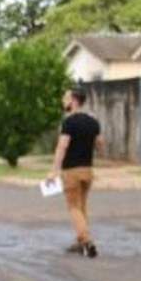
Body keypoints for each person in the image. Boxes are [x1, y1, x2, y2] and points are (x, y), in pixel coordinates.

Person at [49, 88, 104, 258]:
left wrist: (53, 171)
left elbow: (62, 146)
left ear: (73, 101)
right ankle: (80, 242)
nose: (63, 101)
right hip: (88, 170)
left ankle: (87, 242)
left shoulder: (69, 122)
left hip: (71, 171)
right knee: (82, 207)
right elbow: (101, 145)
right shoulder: (93, 121)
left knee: (73, 208)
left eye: (65, 98)